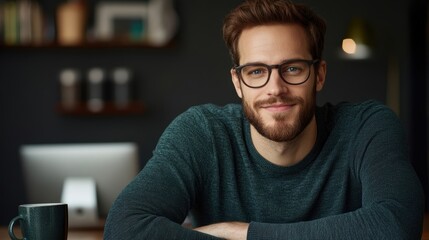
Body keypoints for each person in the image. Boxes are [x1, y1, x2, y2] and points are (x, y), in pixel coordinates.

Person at [104, 0, 424, 239]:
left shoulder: (367, 127)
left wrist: (244, 233)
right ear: (237, 83)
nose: (276, 88)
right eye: (256, 71)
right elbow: (125, 228)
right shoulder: (202, 133)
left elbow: (396, 224)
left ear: (319, 74)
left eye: (293, 68)